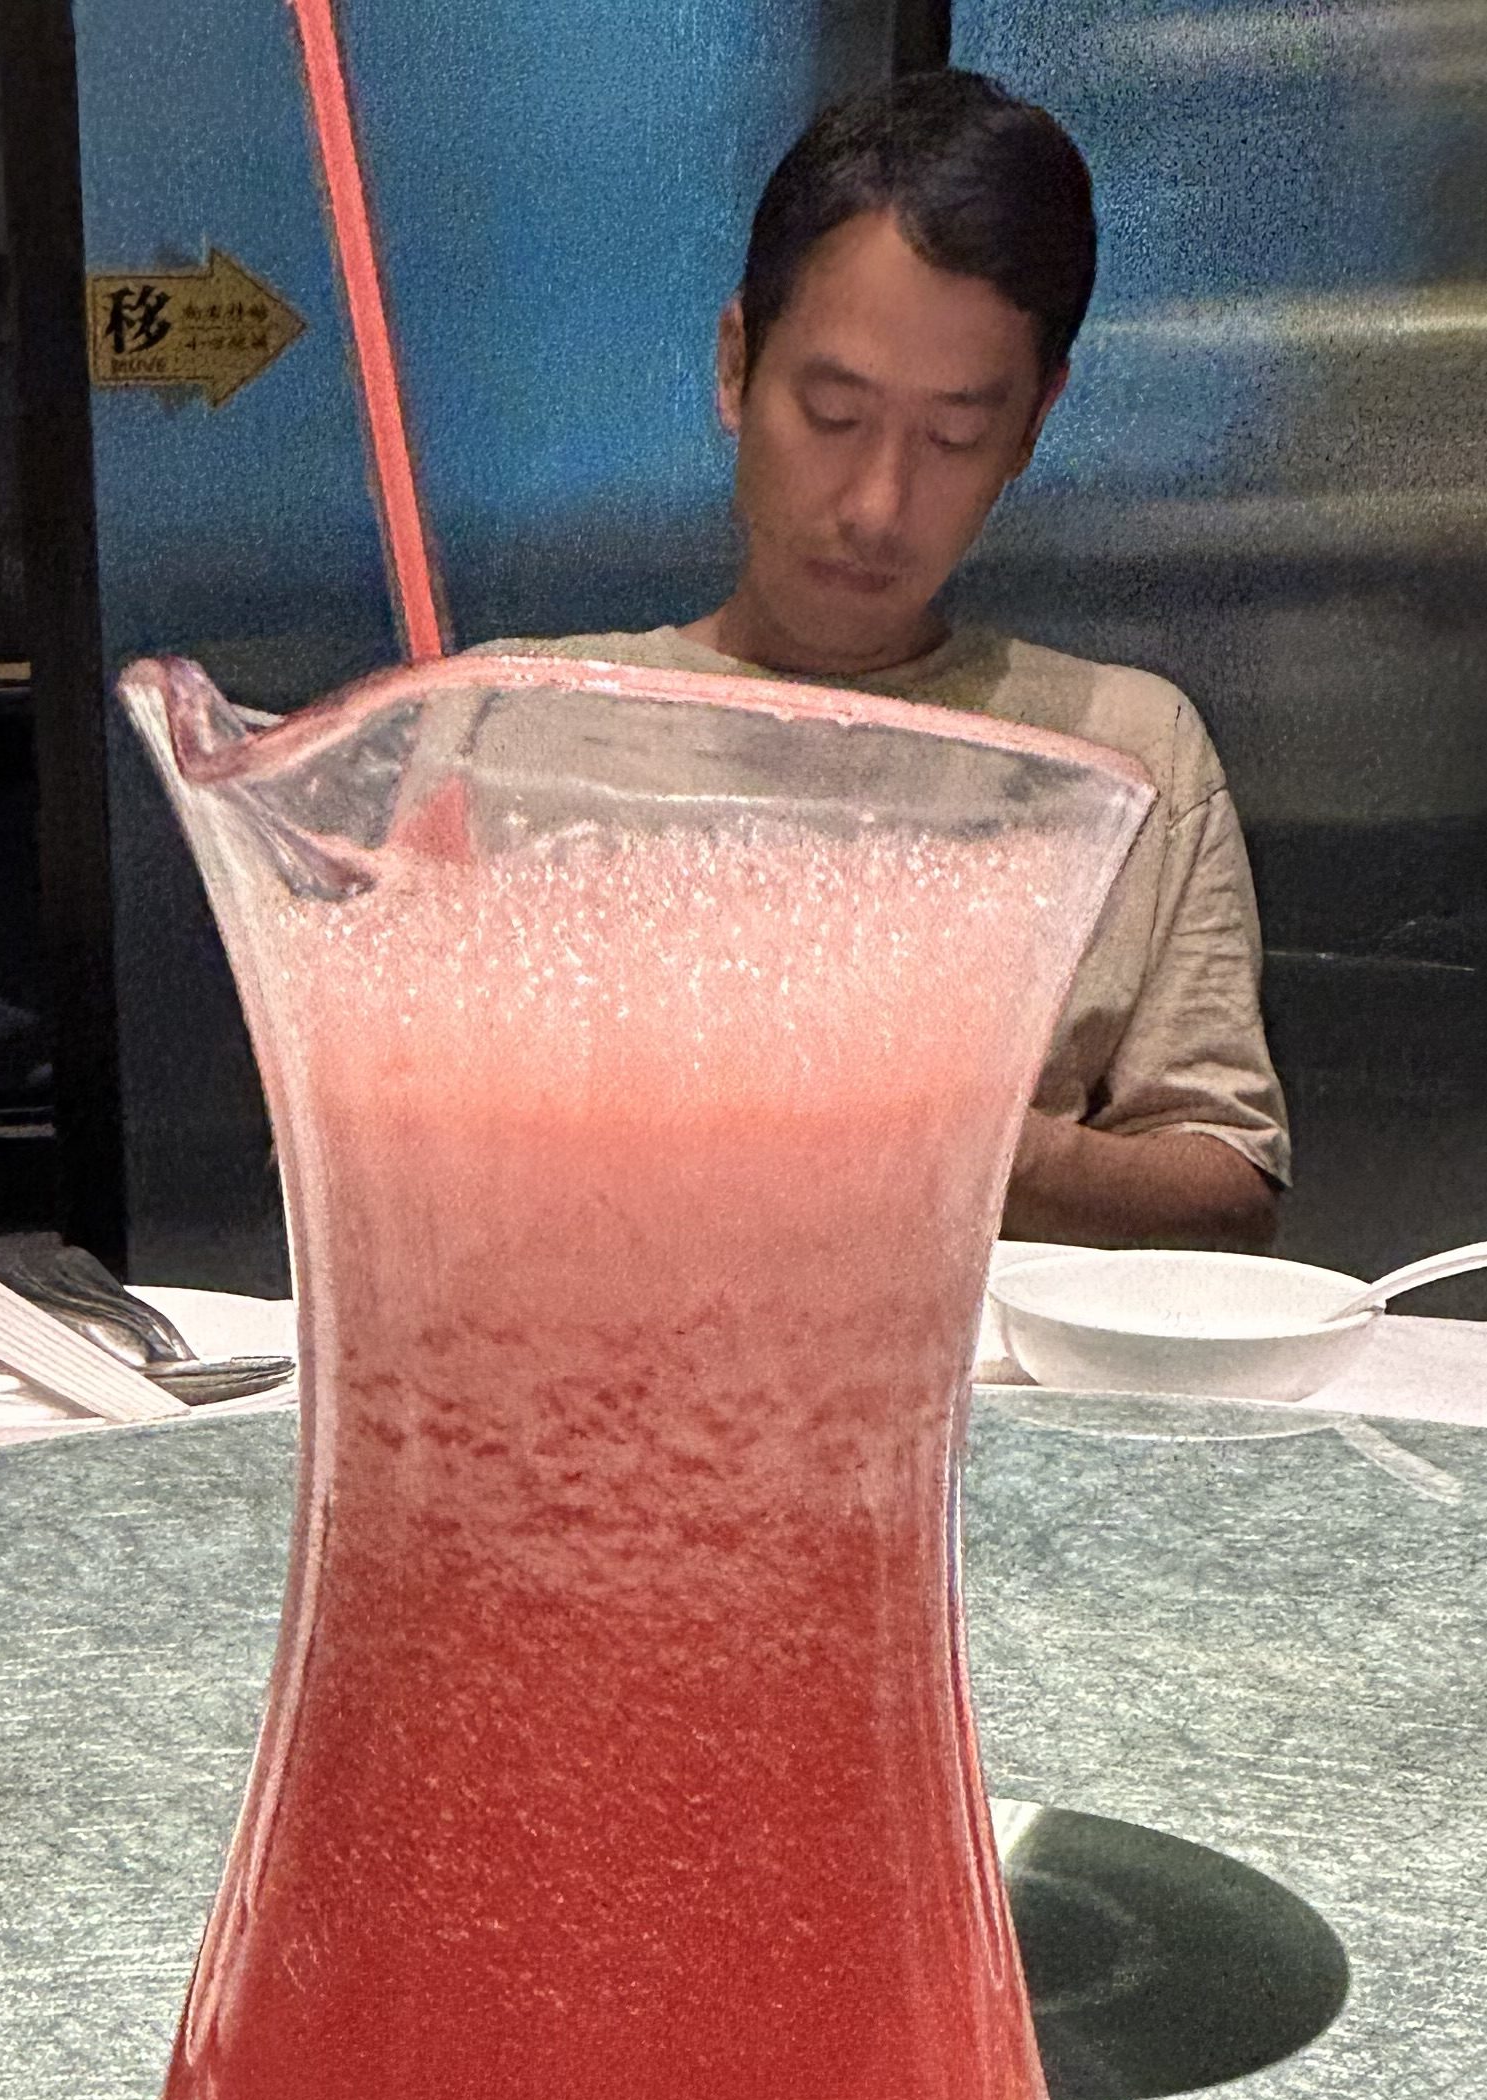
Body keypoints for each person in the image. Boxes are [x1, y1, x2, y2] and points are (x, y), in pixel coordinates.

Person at [513, 73, 1287, 1252]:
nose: (878, 506)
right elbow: (353, 1149)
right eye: (833, 414)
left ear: (1032, 426)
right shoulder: (521, 724)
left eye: (956, 436)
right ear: (737, 365)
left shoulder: (1120, 751)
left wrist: (949, 1139)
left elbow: (1228, 1194)